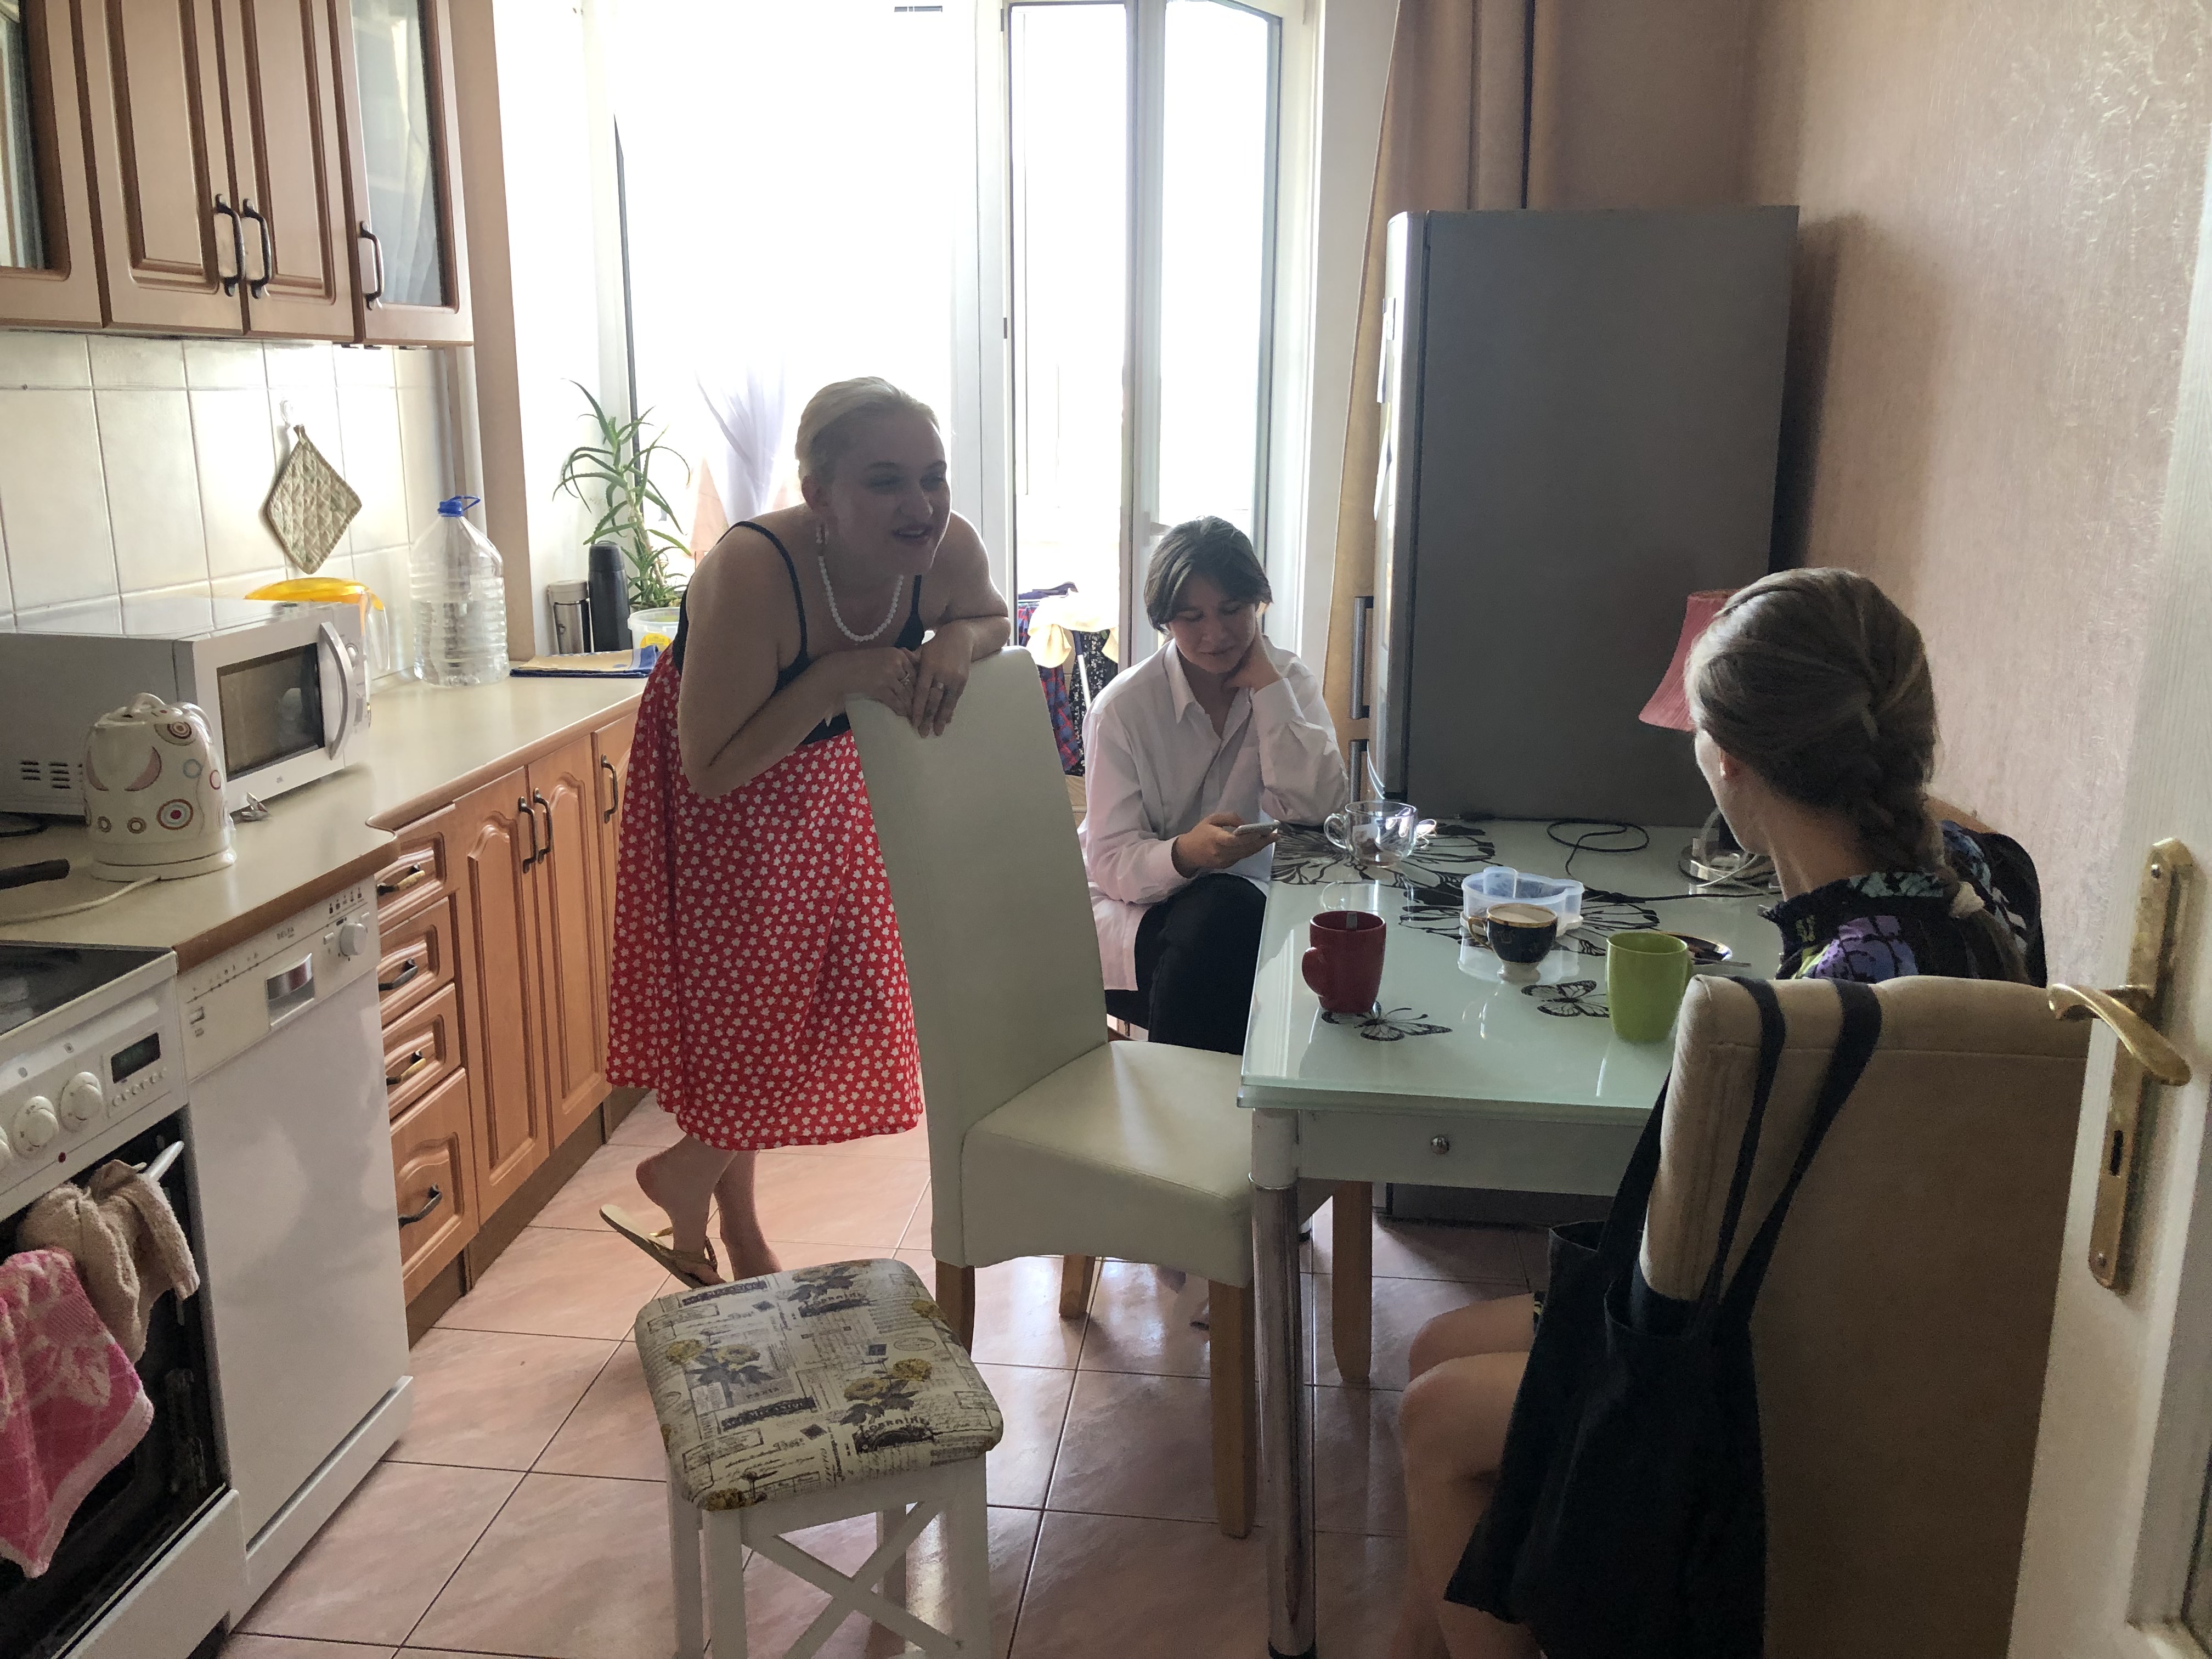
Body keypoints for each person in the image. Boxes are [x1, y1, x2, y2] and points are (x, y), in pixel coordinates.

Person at [1389, 567, 2040, 1659]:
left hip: (1782, 1376)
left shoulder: (1817, 1009)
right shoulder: (1985, 879)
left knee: (1434, 1410)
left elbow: (1688, 1280)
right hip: (1930, 1329)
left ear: (1727, 760)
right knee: (1437, 1348)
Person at [601, 377, 1010, 1286]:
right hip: (723, 800)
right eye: (886, 481)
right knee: (749, 1017)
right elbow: (711, 765)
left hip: (828, 786)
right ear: (819, 495)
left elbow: (990, 615)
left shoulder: (946, 548)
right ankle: (708, 1200)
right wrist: (838, 677)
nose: (922, 504)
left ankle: (708, 1201)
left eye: (934, 475)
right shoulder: (752, 571)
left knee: (826, 1000)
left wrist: (956, 641)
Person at [1080, 516, 1347, 1053]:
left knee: (1227, 922)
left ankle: (1187, 1098)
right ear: (1165, 621)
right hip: (1138, 915)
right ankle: (1218, 1099)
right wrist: (1186, 853)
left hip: (1249, 914)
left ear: (1257, 603)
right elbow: (1109, 861)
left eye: (1232, 610)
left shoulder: (1288, 682)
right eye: (1192, 617)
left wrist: (1269, 690)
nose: (1216, 634)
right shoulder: (1124, 710)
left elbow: (1320, 809)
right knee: (1220, 926)